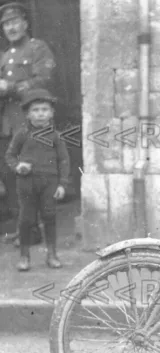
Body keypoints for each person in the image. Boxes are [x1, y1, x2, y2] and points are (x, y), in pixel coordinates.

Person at [0, 2, 56, 244]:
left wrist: (10, 87)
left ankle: (33, 230)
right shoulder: (4, 56)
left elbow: (45, 79)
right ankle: (22, 228)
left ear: (25, 23)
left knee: (32, 176)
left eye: (14, 22)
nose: (10, 28)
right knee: (11, 174)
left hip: (32, 123)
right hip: (8, 124)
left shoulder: (38, 49)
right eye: (6, 24)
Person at [5, 88, 69, 271]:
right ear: (27, 114)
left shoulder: (56, 137)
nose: (40, 114)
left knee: (49, 217)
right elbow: (10, 155)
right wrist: (18, 166)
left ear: (51, 113)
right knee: (26, 219)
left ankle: (52, 254)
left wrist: (63, 184)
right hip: (26, 184)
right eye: (35, 110)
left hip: (49, 183)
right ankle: (24, 257)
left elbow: (64, 161)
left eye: (44, 110)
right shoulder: (22, 134)